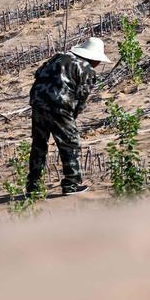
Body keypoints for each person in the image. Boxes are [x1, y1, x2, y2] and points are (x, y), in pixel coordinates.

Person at [26, 37, 110, 197]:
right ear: (93, 58)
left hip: (37, 102)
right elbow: (81, 98)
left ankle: (33, 186)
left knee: (39, 144)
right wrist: (72, 117)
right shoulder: (86, 69)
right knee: (70, 144)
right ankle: (71, 185)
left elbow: (38, 74)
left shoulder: (58, 57)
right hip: (59, 106)